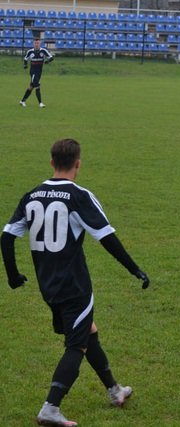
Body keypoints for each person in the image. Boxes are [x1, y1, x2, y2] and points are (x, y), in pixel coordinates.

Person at [1, 138, 150, 426]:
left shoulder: (30, 196)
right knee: (77, 344)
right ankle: (51, 407)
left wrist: (12, 275)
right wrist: (135, 269)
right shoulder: (80, 195)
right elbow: (106, 238)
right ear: (78, 164)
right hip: (74, 286)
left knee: (88, 331)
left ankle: (114, 390)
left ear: (51, 162)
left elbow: (6, 238)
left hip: (48, 286)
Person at [20, 38, 54, 108]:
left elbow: (51, 57)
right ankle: (40, 103)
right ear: (33, 44)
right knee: (37, 85)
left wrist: (48, 61)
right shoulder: (30, 52)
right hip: (33, 72)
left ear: (40, 43)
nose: (36, 44)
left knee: (31, 87)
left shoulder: (43, 51)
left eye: (37, 43)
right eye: (35, 43)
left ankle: (22, 101)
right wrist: (25, 65)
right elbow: (25, 59)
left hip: (39, 72)